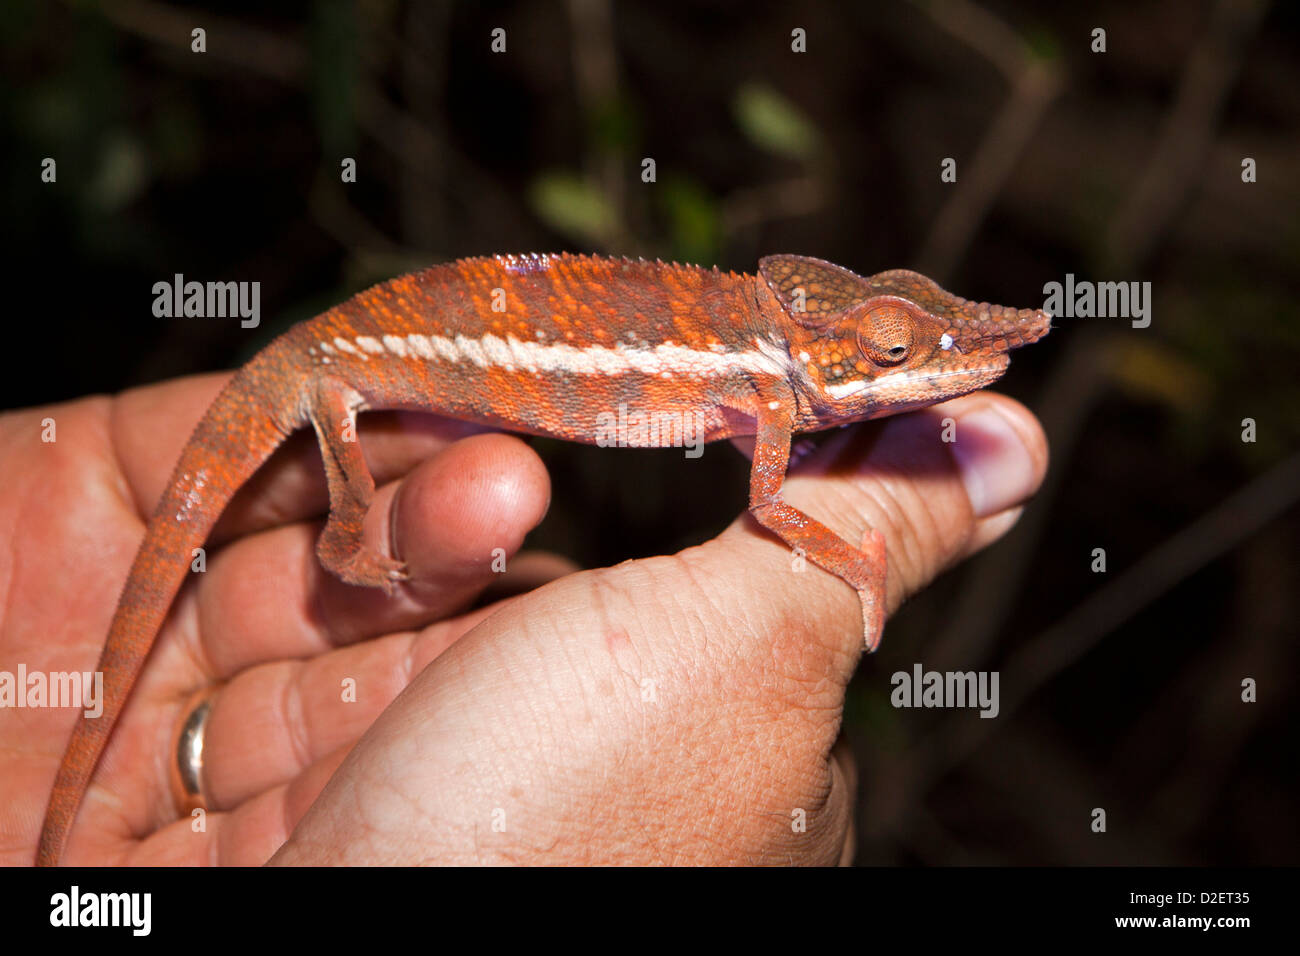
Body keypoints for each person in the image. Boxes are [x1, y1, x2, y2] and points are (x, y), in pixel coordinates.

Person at [0, 370, 1046, 865]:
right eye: (909, 355)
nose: (943, 372)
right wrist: (855, 554)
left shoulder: (758, 388)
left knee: (463, 493)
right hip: (368, 362)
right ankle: (345, 526)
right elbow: (775, 506)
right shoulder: (766, 391)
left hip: (384, 368)